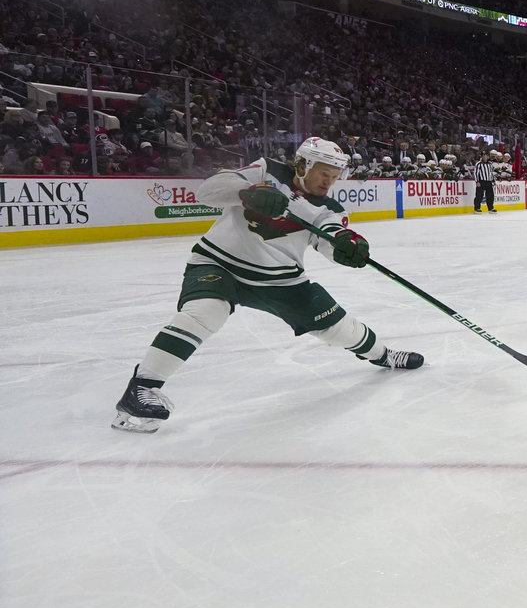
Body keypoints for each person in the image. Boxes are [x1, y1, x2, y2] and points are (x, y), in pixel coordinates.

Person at [112, 137, 423, 434]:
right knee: (205, 311)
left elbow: (330, 237)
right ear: (303, 165)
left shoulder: (329, 208)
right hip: (219, 264)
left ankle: (383, 354)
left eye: (334, 175)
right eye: (324, 173)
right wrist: (246, 192)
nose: (329, 181)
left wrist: (347, 245)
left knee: (340, 328)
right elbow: (208, 191)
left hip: (282, 280)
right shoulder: (267, 170)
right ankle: (141, 388)